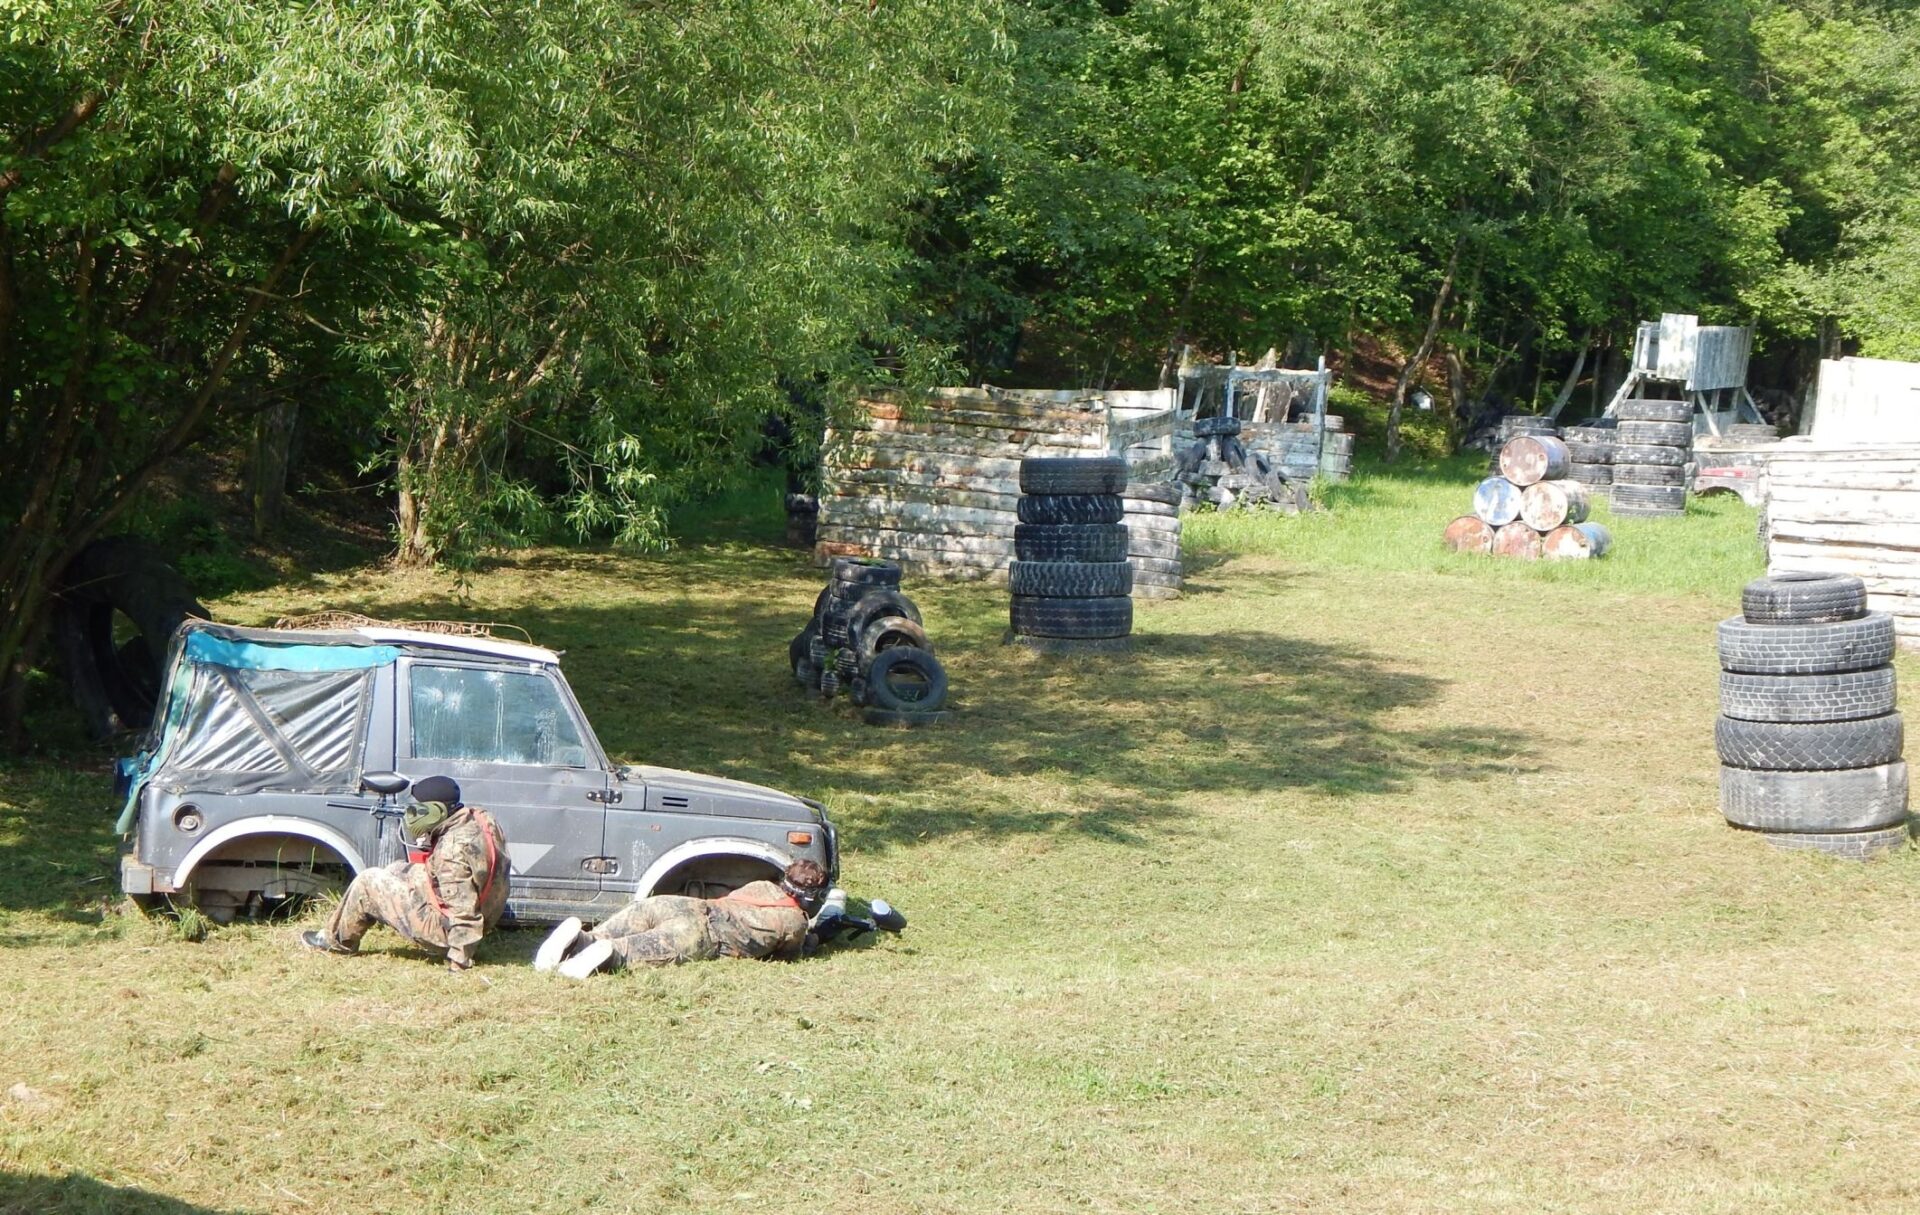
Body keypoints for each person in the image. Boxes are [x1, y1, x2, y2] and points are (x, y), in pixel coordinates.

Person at [299, 775, 510, 971]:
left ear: (436, 811)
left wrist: (459, 963)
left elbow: (464, 913)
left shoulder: (450, 854)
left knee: (368, 881)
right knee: (396, 869)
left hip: (448, 931)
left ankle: (336, 941)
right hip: (486, 911)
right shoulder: (478, 819)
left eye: (420, 808)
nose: (414, 813)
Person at [536, 859, 829, 980]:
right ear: (811, 895)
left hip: (677, 904)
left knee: (621, 926)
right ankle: (600, 957)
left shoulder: (760, 886)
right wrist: (816, 938)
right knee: (626, 952)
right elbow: (786, 958)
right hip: (701, 932)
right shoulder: (794, 922)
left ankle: (579, 940)